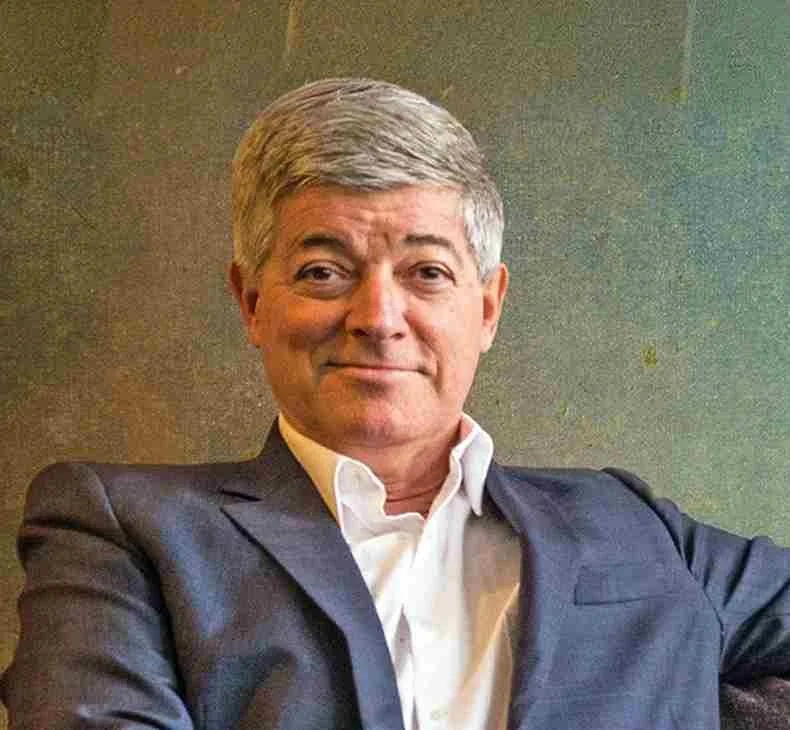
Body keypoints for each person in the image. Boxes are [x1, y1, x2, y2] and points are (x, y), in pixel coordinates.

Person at [2, 78, 789, 730]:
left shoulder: (633, 525)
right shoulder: (121, 529)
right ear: (250, 302)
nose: (378, 318)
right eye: (322, 271)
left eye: (427, 272)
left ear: (487, 308)